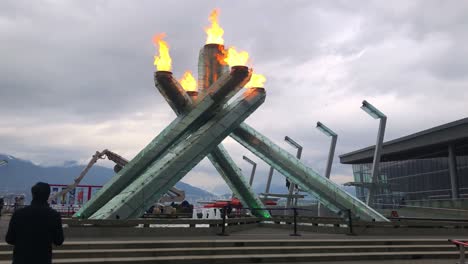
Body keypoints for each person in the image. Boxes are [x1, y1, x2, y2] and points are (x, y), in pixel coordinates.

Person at [5, 182, 64, 264]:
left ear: (33, 194)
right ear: (48, 195)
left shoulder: (18, 214)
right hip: (43, 259)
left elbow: (9, 239)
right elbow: (59, 240)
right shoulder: (54, 215)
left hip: (20, 259)